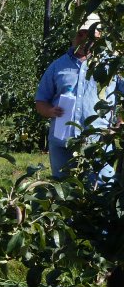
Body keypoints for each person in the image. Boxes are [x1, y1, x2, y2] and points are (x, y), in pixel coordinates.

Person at [35, 13, 123, 180]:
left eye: (90, 32)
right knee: (65, 195)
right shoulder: (58, 66)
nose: (84, 37)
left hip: (99, 142)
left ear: (99, 35)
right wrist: (51, 111)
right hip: (62, 143)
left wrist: (121, 122)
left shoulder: (111, 65)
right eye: (80, 33)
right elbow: (40, 101)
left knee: (101, 191)